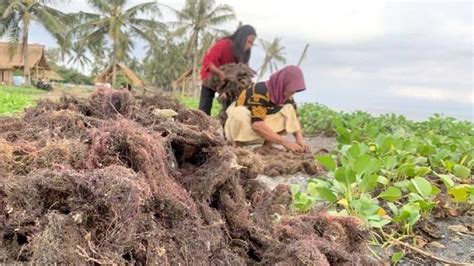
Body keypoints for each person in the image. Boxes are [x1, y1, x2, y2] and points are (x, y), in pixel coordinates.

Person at [224, 65, 309, 153]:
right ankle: (238, 145)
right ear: (283, 83)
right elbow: (257, 125)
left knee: (289, 109)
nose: (293, 93)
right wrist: (285, 142)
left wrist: (299, 140)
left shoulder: (287, 97)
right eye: (291, 89)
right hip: (243, 125)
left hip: (262, 126)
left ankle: (268, 145)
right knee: (239, 112)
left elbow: (294, 118)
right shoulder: (260, 91)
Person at [199, 25, 257, 115]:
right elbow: (208, 61)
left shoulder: (243, 54)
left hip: (229, 83)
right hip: (211, 78)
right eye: (249, 42)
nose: (249, 46)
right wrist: (220, 74)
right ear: (242, 38)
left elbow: (242, 73)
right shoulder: (224, 44)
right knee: (204, 110)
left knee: (229, 109)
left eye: (251, 43)